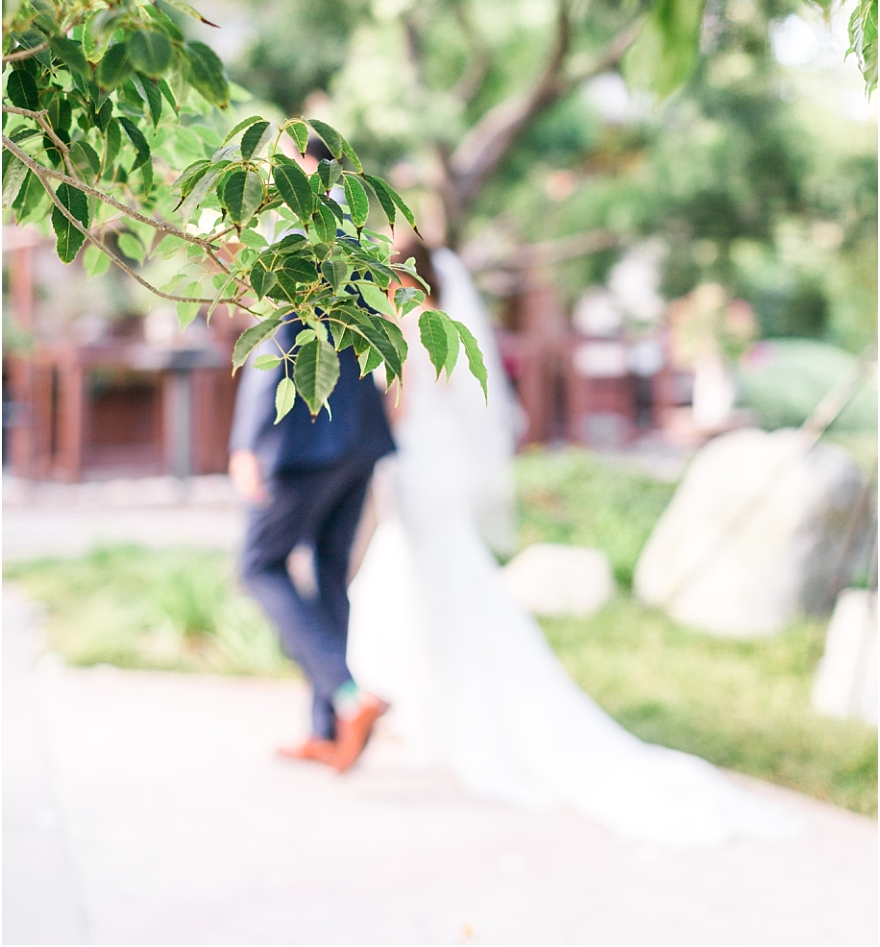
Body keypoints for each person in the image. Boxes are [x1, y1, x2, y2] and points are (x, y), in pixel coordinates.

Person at [347, 242, 799, 848]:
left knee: (429, 584)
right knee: (435, 582)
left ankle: (430, 712)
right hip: (446, 467)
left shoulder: (402, 327)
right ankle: (425, 710)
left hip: (419, 470)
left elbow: (399, 411)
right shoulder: (447, 325)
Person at [229, 311, 395, 772]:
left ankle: (347, 697)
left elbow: (274, 340)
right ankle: (328, 730)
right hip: (360, 436)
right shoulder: (356, 249)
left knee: (258, 567)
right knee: (330, 571)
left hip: (305, 438)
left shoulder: (296, 240)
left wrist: (247, 444)